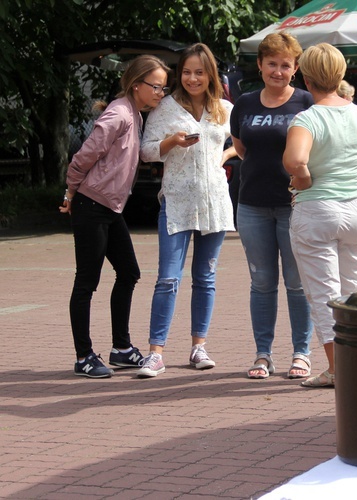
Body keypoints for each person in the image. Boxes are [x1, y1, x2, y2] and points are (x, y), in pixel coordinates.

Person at [59, 55, 170, 378]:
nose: (160, 93)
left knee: (129, 272)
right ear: (136, 84)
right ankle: (83, 356)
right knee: (86, 282)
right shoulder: (119, 113)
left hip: (110, 207)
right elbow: (85, 155)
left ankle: (121, 348)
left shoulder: (134, 114)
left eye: (163, 88)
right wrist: (70, 191)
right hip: (92, 205)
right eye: (156, 87)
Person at [283, 43, 357, 388]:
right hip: (355, 206)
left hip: (317, 209)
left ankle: (338, 368)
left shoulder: (307, 119)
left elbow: (295, 161)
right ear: (340, 75)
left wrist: (304, 180)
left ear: (306, 79)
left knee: (324, 292)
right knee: (355, 286)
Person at [136, 43, 236, 378]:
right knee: (167, 278)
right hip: (177, 204)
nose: (193, 78)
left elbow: (242, 140)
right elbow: (146, 151)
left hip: (214, 203)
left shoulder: (223, 108)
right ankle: (155, 353)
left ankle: (198, 347)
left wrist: (224, 156)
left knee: (205, 278)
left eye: (200, 72)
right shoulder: (165, 107)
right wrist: (170, 143)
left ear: (210, 75)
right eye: (187, 72)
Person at [230, 33, 315, 380]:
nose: (278, 71)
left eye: (285, 65)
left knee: (297, 283)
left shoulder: (307, 103)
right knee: (261, 282)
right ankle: (263, 354)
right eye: (272, 64)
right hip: (251, 204)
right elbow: (241, 148)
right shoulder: (245, 104)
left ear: (295, 69)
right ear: (260, 65)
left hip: (294, 205)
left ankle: (302, 353)